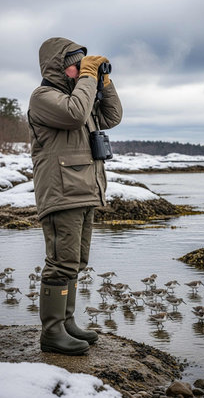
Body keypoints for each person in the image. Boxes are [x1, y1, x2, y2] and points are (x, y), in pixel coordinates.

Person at [28, 37, 122, 355]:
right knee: (60, 263)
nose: (82, 68)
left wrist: (104, 82)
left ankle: (67, 323)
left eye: (85, 63)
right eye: (76, 62)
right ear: (57, 66)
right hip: (61, 192)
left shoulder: (81, 98)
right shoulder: (44, 97)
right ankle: (52, 333)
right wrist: (88, 77)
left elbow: (112, 117)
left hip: (84, 190)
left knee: (75, 262)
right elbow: (75, 115)